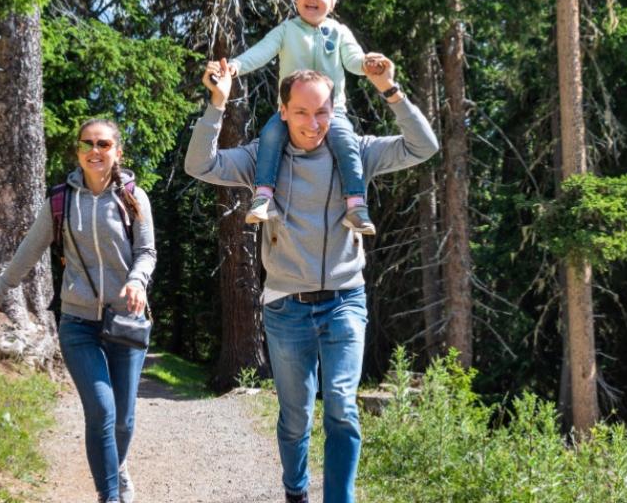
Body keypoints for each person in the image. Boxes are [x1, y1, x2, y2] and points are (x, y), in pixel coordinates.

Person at [186, 59, 438, 503]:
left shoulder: (355, 153)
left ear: (334, 110)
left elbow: (424, 146)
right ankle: (295, 490)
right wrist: (218, 103)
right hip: (286, 306)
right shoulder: (261, 159)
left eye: (321, 112)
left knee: (342, 406)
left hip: (344, 299)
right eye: (301, 112)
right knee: (295, 417)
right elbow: (199, 164)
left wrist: (390, 89)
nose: (312, 123)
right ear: (282, 112)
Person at [0, 119, 156, 503]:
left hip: (126, 319)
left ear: (117, 152)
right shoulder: (61, 200)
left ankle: (117, 466)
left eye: (104, 144)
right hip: (77, 322)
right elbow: (28, 251)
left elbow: (146, 252)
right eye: (88, 144)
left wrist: (137, 281)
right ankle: (109, 495)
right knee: (101, 410)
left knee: (123, 419)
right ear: (77, 151)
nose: (96, 150)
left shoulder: (133, 196)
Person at [208, 0, 386, 235]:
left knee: (346, 140)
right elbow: (261, 52)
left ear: (333, 2)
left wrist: (367, 64)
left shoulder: (339, 32)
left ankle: (355, 204)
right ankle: (264, 196)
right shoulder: (287, 30)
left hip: (332, 110)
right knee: (270, 135)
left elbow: (353, 60)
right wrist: (234, 66)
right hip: (291, 111)